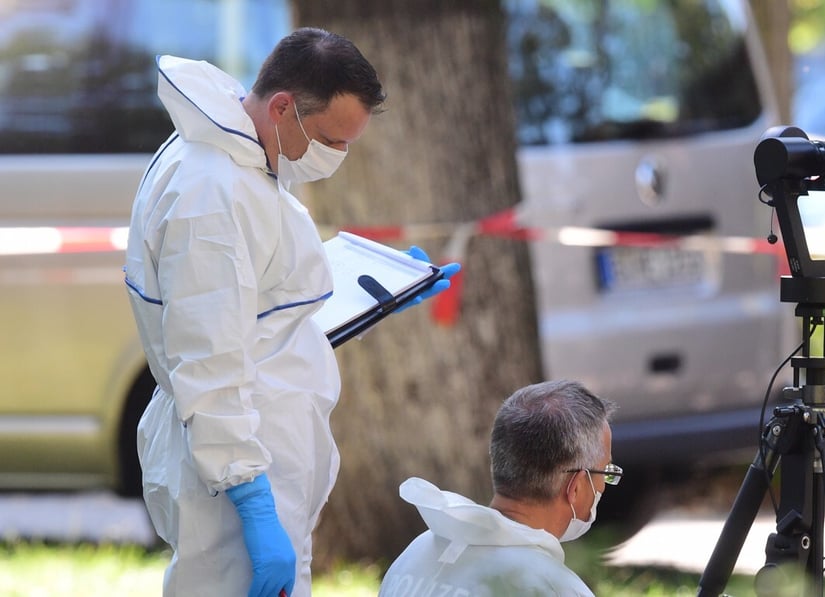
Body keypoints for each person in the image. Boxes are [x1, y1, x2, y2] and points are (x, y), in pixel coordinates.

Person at [124, 28, 458, 597]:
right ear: (282, 107)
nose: (337, 157)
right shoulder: (212, 193)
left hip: (258, 453)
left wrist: (374, 296)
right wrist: (253, 506)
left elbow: (249, 310)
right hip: (239, 479)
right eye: (331, 139)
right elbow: (210, 363)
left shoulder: (243, 157)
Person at [379, 380, 621, 596]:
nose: (603, 484)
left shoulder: (414, 554)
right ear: (575, 487)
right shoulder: (552, 587)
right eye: (605, 471)